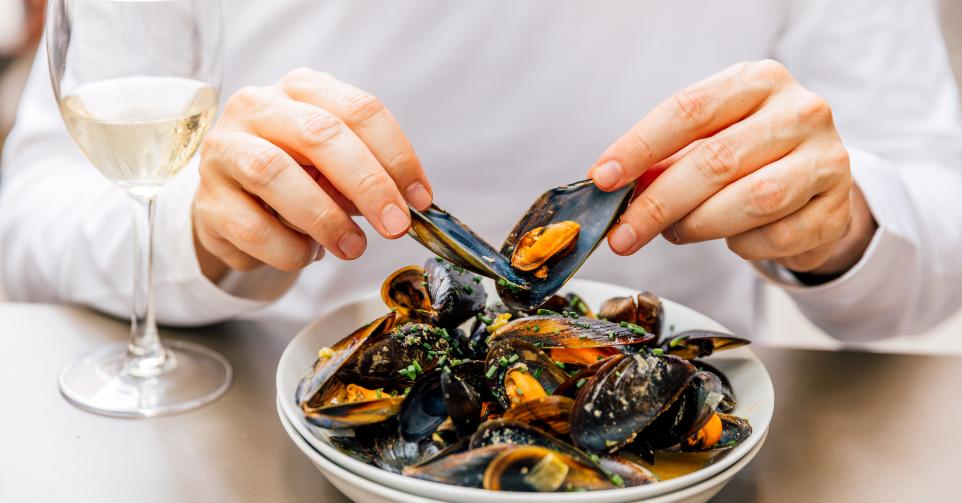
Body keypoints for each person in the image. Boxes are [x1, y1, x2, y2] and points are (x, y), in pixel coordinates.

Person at [2, 0, 961, 341]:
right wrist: (195, 229)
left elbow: (939, 243)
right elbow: (27, 220)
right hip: (262, 444)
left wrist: (842, 225)